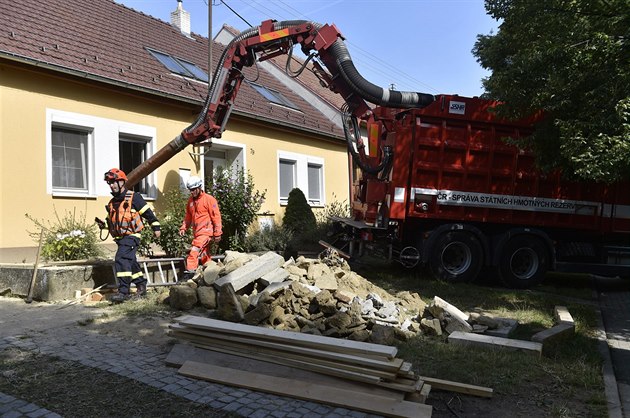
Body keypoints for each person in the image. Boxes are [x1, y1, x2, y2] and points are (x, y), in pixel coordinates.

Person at [102, 168, 161, 302]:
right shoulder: (112, 202)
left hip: (132, 236)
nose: (111, 185)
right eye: (109, 183)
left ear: (122, 182)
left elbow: (148, 214)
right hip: (120, 238)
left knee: (121, 258)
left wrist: (156, 227)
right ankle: (141, 285)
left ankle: (124, 292)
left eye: (114, 182)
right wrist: (104, 225)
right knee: (130, 261)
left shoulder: (134, 197)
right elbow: (112, 221)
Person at [179, 175, 222, 280]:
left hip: (206, 233)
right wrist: (183, 228)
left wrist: (217, 233)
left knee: (194, 251)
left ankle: (189, 274)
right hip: (197, 234)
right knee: (204, 256)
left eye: (193, 190)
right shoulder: (190, 201)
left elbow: (216, 217)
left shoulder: (209, 200)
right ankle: (210, 274)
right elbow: (188, 217)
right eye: (190, 190)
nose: (191, 192)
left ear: (199, 187)